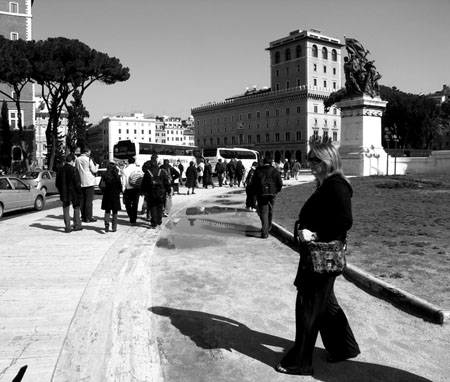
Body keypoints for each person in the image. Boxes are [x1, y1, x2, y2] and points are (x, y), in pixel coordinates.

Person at [275, 141, 360, 376]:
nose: (310, 163)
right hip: (320, 256)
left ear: (329, 161)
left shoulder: (337, 186)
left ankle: (300, 362)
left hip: (321, 256)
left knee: (308, 306)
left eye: (315, 160)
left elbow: (344, 221)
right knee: (325, 305)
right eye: (309, 159)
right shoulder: (326, 185)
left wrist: (314, 233)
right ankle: (344, 348)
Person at [250, 156, 283, 238]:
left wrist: (256, 193)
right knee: (270, 210)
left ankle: (265, 231)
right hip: (272, 194)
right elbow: (279, 183)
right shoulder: (274, 171)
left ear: (263, 162)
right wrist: (276, 190)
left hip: (261, 194)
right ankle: (268, 227)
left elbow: (253, 183)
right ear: (271, 162)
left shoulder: (258, 171)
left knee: (263, 212)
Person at [55, 153, 83, 233]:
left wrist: (60, 191)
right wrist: (79, 192)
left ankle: (67, 227)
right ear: (72, 161)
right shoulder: (74, 169)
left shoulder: (60, 170)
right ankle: (77, 225)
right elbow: (77, 183)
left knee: (65, 209)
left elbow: (57, 183)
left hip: (64, 192)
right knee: (76, 208)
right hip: (74, 192)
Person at [141, 159, 170, 229]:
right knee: (160, 206)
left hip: (151, 193)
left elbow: (144, 184)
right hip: (161, 193)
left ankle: (154, 222)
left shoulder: (147, 173)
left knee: (153, 207)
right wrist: (168, 190)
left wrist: (143, 191)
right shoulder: (162, 172)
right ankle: (159, 220)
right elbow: (166, 182)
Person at [75, 146, 99, 222]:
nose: (89, 153)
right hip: (89, 182)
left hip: (80, 182)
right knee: (89, 200)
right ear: (86, 152)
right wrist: (97, 166)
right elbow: (94, 170)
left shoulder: (77, 159)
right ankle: (89, 217)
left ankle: (83, 216)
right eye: (89, 152)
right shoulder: (88, 159)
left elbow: (76, 169)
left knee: (82, 200)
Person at [100, 162, 122, 232]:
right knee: (115, 211)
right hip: (115, 195)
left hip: (107, 194)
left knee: (107, 210)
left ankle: (106, 223)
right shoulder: (117, 176)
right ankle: (114, 227)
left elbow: (101, 185)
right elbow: (120, 186)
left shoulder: (104, 175)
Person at [121, 157, 141, 225]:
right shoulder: (138, 169)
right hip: (137, 188)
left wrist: (123, 189)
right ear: (134, 162)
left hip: (128, 189)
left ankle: (131, 216)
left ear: (128, 162)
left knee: (127, 204)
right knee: (135, 204)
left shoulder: (125, 170)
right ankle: (134, 219)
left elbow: (123, 181)